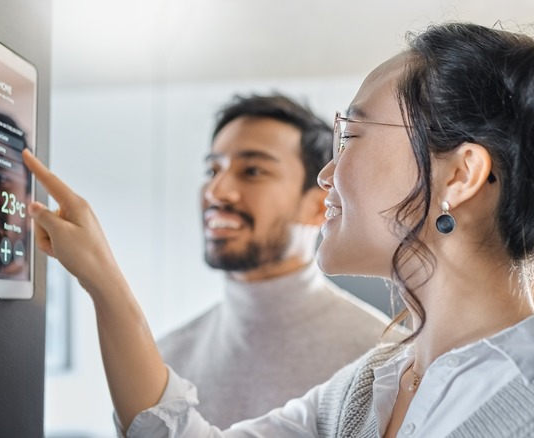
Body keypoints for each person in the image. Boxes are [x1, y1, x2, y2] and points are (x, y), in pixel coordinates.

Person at [24, 22, 534, 438]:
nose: (327, 173)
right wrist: (104, 281)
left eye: (351, 134)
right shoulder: (366, 391)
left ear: (463, 174)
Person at [157, 94, 391, 428]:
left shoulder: (382, 358)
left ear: (317, 205)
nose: (216, 191)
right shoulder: (166, 360)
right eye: (212, 169)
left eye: (252, 171)